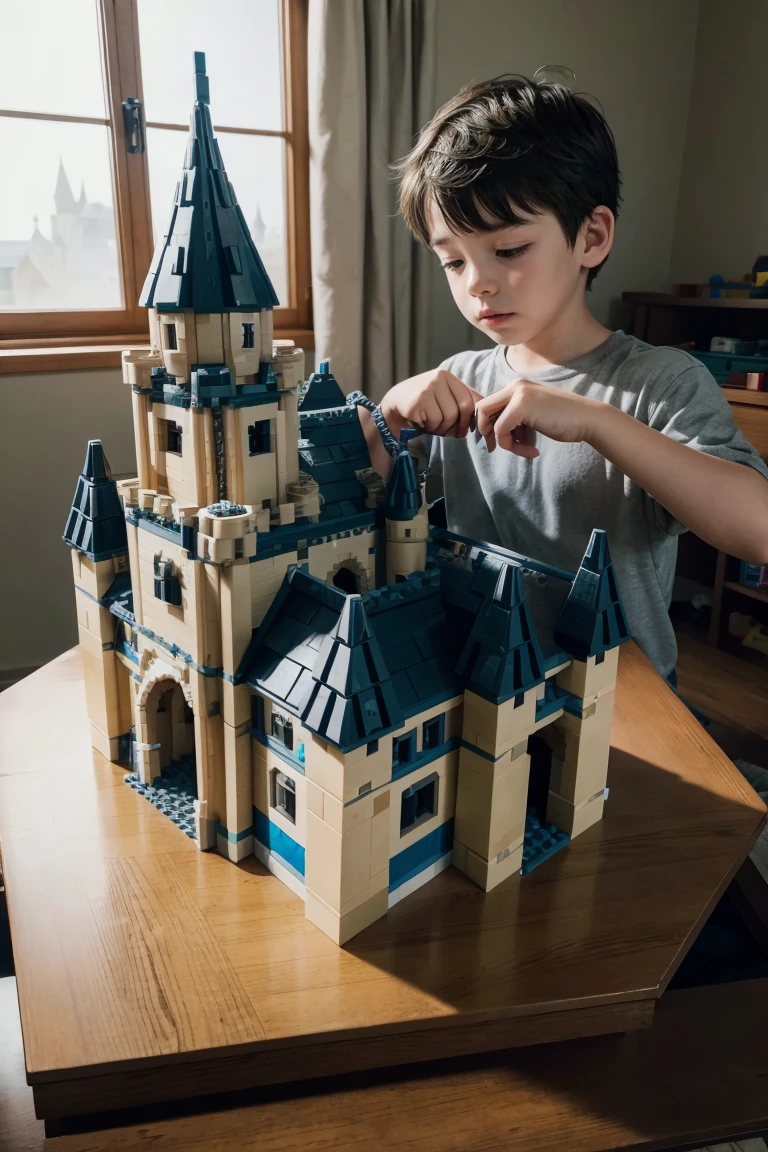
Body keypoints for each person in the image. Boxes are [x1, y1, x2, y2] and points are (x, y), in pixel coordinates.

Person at [359, 74, 768, 683]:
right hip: (480, 681)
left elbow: (757, 531)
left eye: (510, 249)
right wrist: (388, 412)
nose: (477, 282)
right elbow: (359, 498)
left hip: (617, 700)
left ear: (592, 237)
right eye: (453, 260)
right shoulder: (458, 379)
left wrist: (597, 421)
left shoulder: (660, 382)